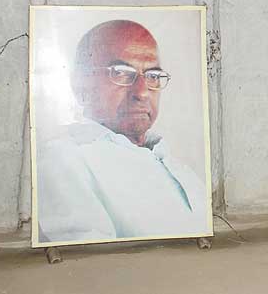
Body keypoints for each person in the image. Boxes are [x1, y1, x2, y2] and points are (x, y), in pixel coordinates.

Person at [35, 20, 207, 243]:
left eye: (153, 76)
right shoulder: (64, 161)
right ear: (80, 84)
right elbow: (96, 264)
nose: (143, 92)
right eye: (121, 73)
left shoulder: (176, 166)